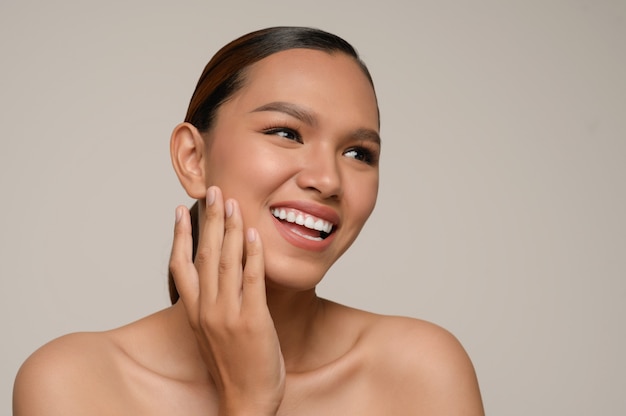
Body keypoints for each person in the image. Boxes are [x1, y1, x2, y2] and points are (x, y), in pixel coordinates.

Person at [13, 26, 484, 415]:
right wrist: (249, 400)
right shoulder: (74, 383)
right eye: (286, 132)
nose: (328, 179)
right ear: (193, 158)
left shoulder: (421, 371)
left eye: (358, 152)